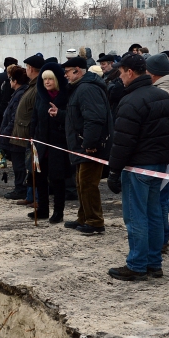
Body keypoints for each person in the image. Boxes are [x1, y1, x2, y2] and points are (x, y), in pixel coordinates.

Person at [107, 54, 169, 281]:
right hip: (157, 165)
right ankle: (154, 264)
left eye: (121, 72)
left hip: (137, 167)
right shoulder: (163, 97)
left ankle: (137, 265)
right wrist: (165, 158)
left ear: (130, 72)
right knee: (155, 213)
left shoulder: (131, 101)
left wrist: (114, 170)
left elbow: (123, 141)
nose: (120, 77)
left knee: (136, 216)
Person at [63, 57, 114, 235]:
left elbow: (94, 118)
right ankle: (84, 217)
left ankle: (95, 221)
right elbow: (78, 116)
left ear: (77, 70)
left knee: (88, 184)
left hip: (90, 147)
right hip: (82, 145)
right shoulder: (81, 88)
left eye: (68, 71)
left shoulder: (87, 88)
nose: (65, 75)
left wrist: (90, 144)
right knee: (81, 183)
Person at [30, 64, 72, 224]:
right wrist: (32, 137)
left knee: (57, 180)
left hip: (58, 144)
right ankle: (42, 209)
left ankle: (58, 212)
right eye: (44, 79)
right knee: (40, 178)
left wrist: (59, 115)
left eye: (50, 79)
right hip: (41, 143)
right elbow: (34, 117)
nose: (47, 82)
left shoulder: (66, 95)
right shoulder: (41, 96)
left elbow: (71, 118)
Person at [146, 54, 169, 255]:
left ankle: (161, 240)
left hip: (168, 153)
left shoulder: (164, 93)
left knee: (158, 198)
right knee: (162, 197)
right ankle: (163, 236)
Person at [7, 55, 43, 200]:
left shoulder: (36, 88)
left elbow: (34, 112)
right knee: (29, 166)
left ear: (31, 68)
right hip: (23, 131)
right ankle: (30, 196)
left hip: (29, 133)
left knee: (31, 167)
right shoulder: (32, 86)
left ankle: (34, 197)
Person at [0, 67, 30, 200]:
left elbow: (14, 118)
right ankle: (20, 187)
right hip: (15, 134)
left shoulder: (19, 95)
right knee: (18, 164)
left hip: (16, 135)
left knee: (19, 165)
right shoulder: (19, 93)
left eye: (11, 79)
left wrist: (5, 134)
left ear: (15, 81)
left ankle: (20, 188)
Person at [99, 54, 124, 120]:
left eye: (103, 64)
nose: (101, 66)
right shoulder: (103, 76)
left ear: (111, 63)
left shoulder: (117, 75)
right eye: (101, 64)